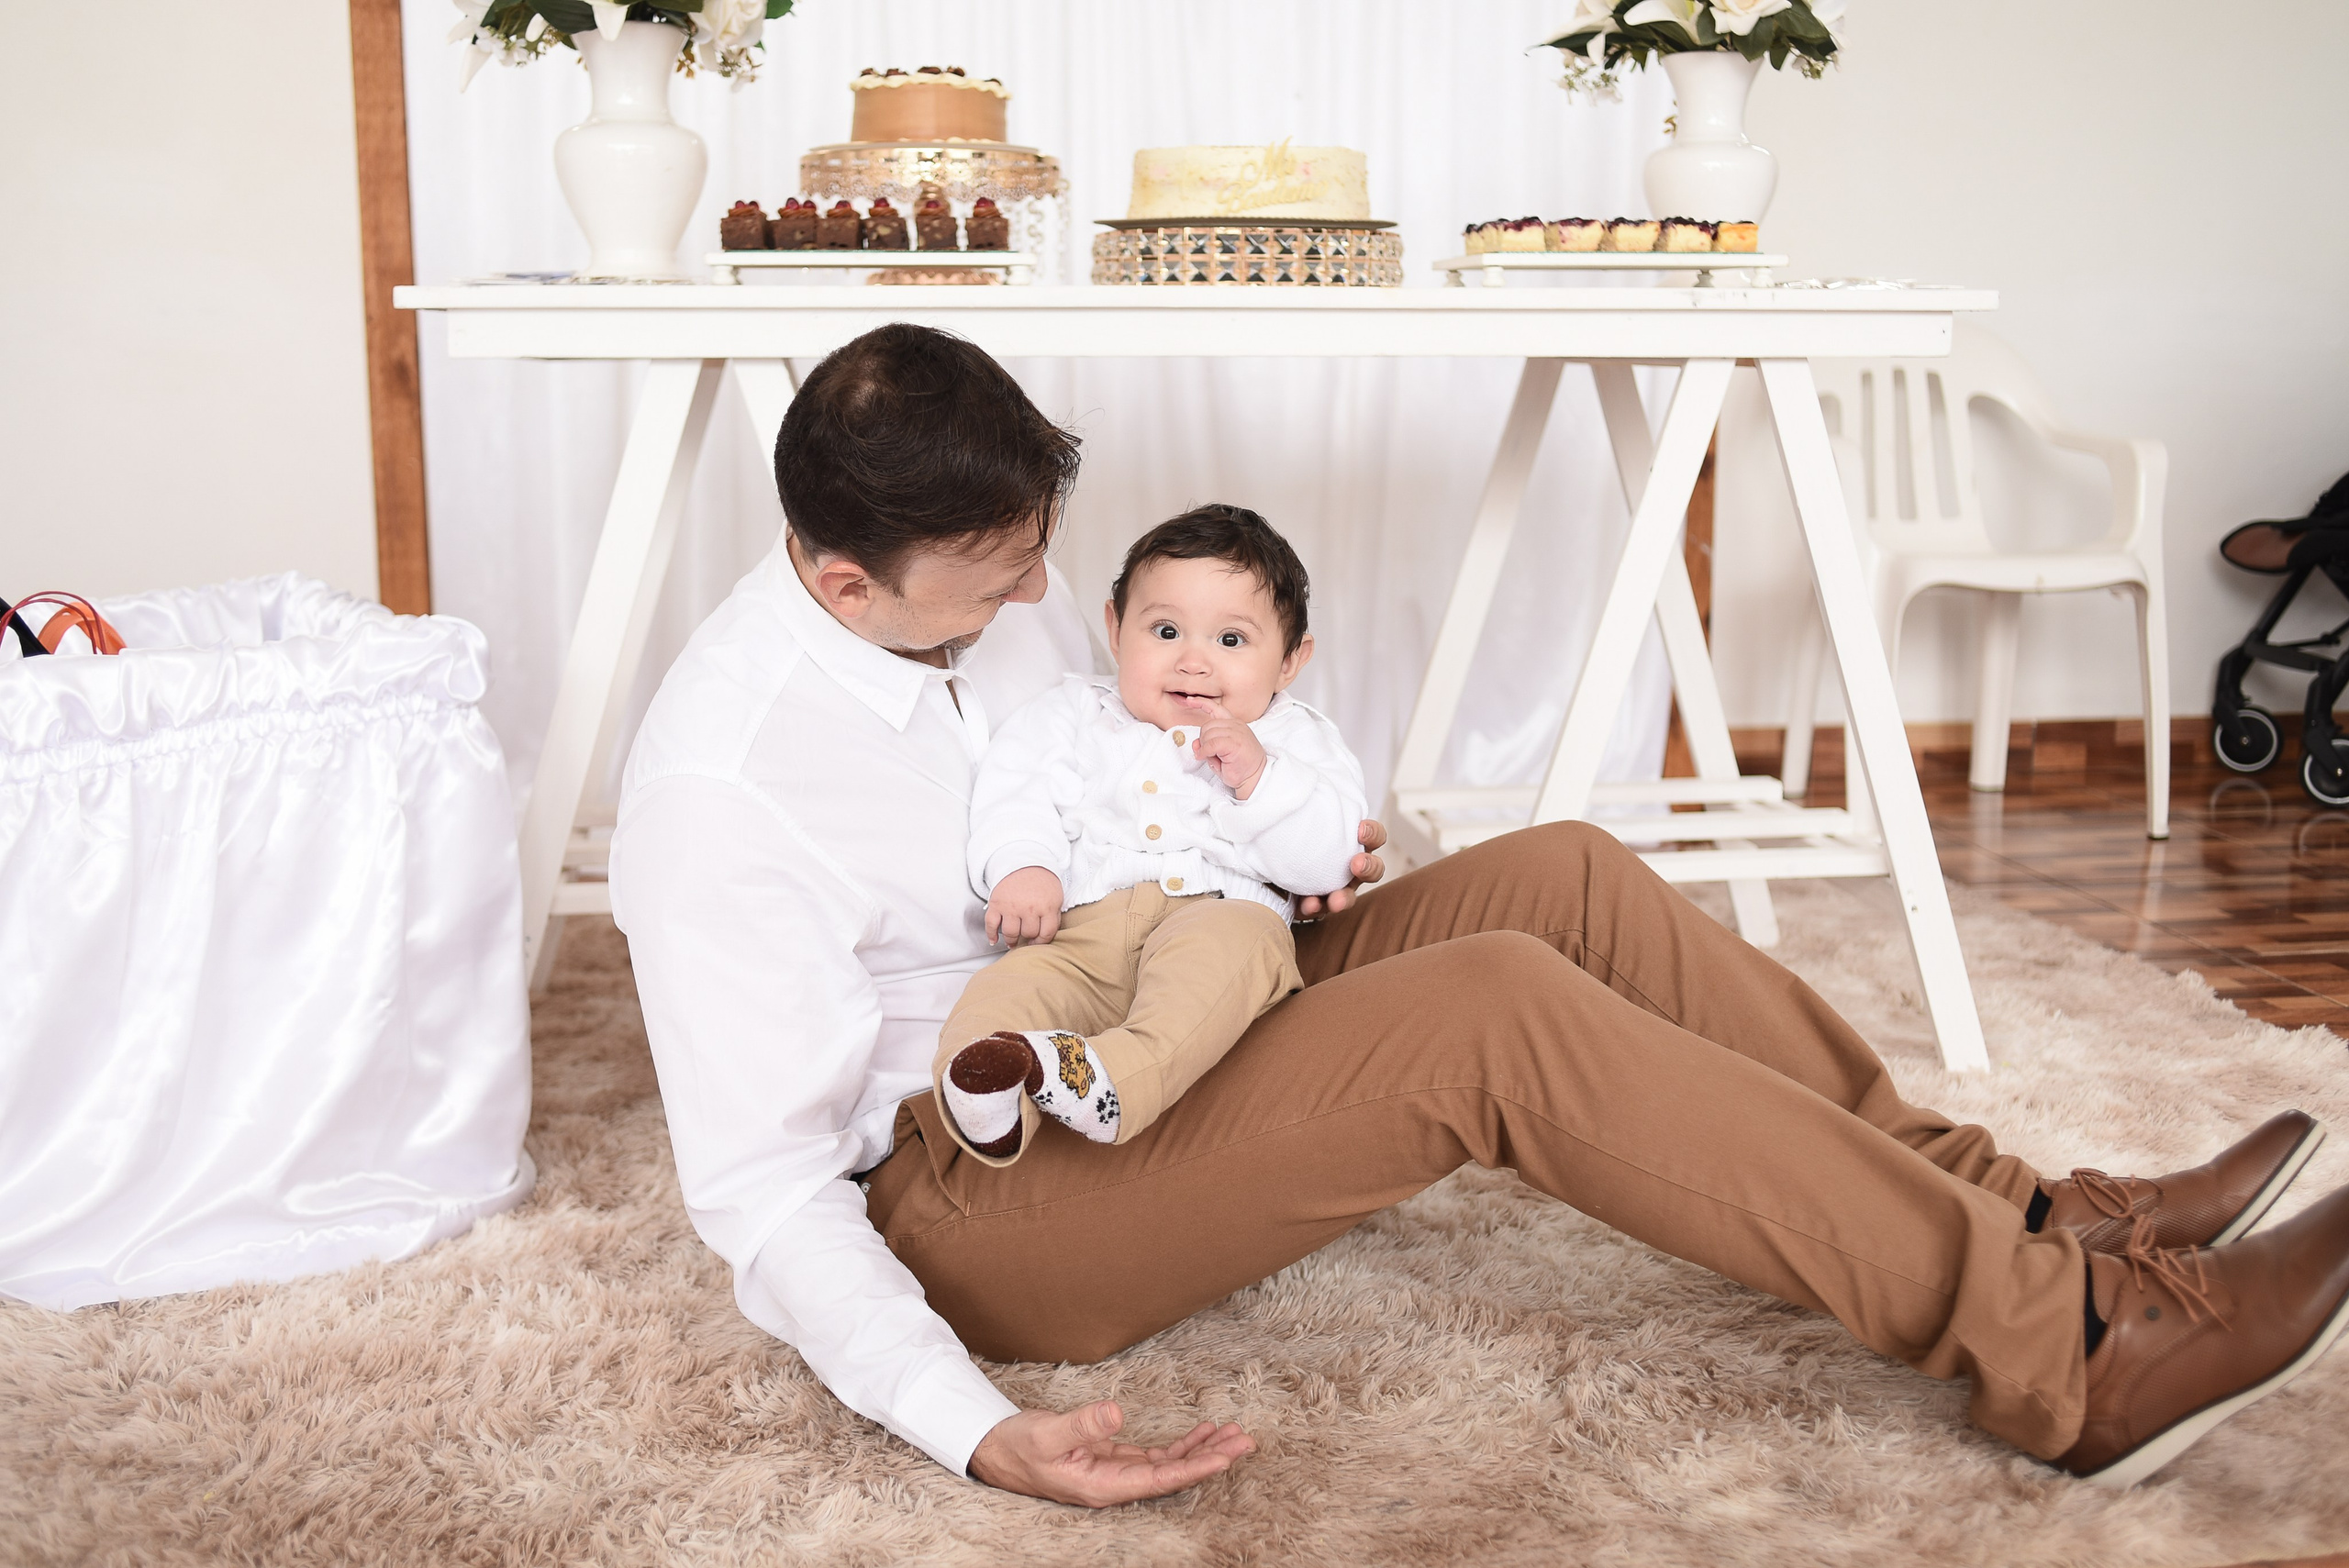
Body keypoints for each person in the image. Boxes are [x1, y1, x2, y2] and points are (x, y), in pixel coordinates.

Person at [610, 322, 2349, 1508]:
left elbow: (1153, 774)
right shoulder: (721, 788)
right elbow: (761, 1197)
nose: (1047, 598)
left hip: (1166, 980)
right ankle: (2081, 1352)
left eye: (1041, 552)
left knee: (1557, 876)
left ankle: (2040, 1210)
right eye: (1002, 577)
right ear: (842, 577)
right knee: (1494, 1005)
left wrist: (1299, 834)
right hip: (978, 1188)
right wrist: (974, 1426)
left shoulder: (966, 603)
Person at [935, 505, 1366, 1164]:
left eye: (1231, 641)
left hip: (1219, 919)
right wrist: (1025, 865)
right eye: (1165, 630)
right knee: (1009, 987)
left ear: (1289, 661)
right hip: (1080, 931)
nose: (1193, 663)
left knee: (1218, 980)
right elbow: (1015, 790)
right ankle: (990, 1083)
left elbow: (1330, 861)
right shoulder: (1074, 711)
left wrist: (1260, 779)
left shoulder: (1297, 740)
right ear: (1115, 628)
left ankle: (1110, 1079)